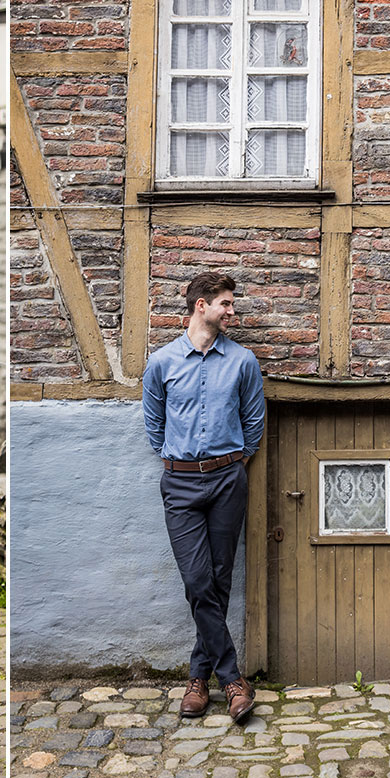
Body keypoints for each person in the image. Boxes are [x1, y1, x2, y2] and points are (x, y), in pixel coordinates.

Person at [141, 270, 265, 724]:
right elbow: (153, 423)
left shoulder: (243, 361)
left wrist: (231, 465)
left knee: (218, 580)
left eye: (231, 305)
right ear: (201, 306)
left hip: (228, 479)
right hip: (180, 483)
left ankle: (197, 681)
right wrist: (180, 462)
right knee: (198, 581)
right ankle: (232, 679)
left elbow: (254, 424)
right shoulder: (162, 362)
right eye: (226, 304)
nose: (232, 311)